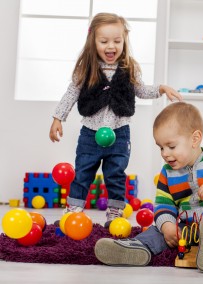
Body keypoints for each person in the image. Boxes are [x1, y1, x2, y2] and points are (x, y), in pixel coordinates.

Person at [49, 13, 182, 228]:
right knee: (82, 172)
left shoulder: (129, 68)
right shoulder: (86, 68)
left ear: (124, 40)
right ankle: (74, 210)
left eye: (117, 41)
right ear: (93, 41)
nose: (111, 46)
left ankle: (115, 212)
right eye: (104, 41)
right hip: (90, 133)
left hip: (119, 134)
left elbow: (141, 90)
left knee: (115, 174)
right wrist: (58, 118)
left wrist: (161, 89)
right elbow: (71, 93)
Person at [94, 102, 203, 273]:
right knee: (157, 231)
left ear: (195, 139)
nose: (165, 153)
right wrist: (167, 226)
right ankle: (138, 247)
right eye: (161, 147)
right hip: (189, 228)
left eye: (171, 146)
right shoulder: (167, 173)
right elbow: (164, 206)